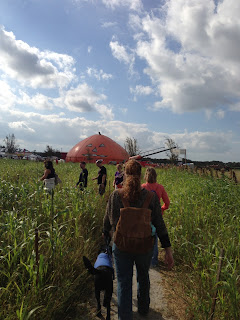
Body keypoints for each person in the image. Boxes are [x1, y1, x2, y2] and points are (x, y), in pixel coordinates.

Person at [103, 160, 174, 319]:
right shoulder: (151, 197)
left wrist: (106, 236)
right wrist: (168, 250)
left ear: (125, 175)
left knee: (123, 282)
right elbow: (160, 225)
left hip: (121, 247)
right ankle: (143, 309)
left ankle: (125, 316)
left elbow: (107, 222)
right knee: (143, 276)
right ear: (141, 174)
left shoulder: (116, 195)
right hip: (144, 246)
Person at [142, 167, 170, 267]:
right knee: (155, 239)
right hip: (157, 216)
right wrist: (161, 209)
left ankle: (144, 258)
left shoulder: (143, 187)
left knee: (144, 236)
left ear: (145, 176)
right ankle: (153, 262)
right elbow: (167, 203)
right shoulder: (160, 187)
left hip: (145, 216)